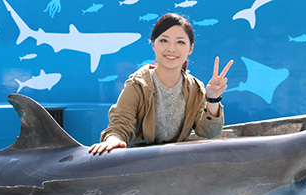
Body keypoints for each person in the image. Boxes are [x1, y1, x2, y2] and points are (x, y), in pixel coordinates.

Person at [89, 13, 233, 155]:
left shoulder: (196, 88)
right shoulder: (138, 84)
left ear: (190, 48)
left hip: (175, 162)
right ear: (153, 44)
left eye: (180, 42)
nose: (171, 48)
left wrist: (212, 100)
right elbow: (120, 125)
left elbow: (208, 133)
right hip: (140, 161)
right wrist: (113, 139)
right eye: (164, 40)